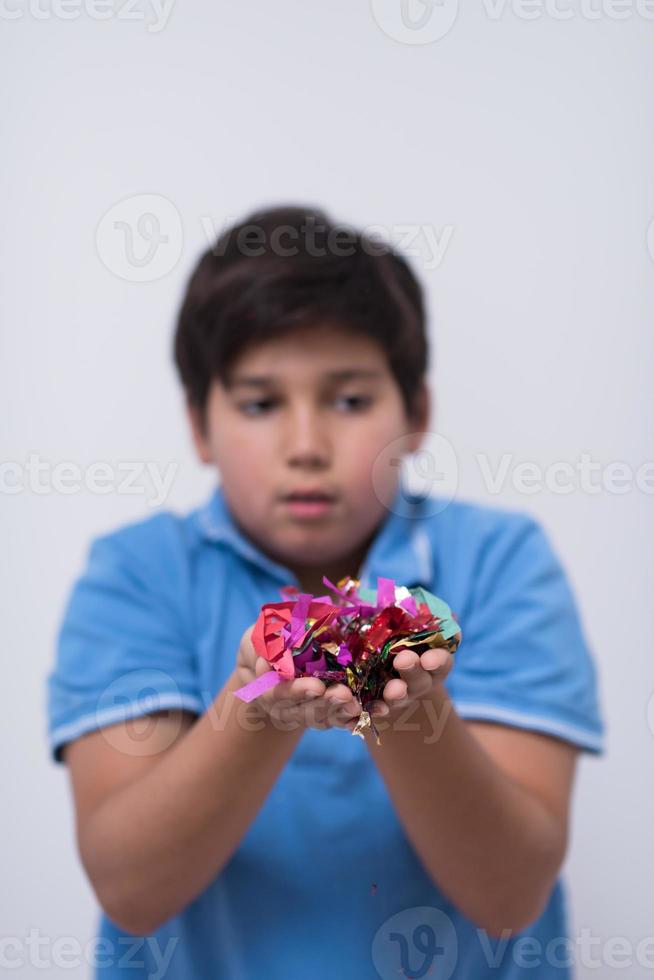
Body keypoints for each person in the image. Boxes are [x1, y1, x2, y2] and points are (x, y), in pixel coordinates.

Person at [46, 205, 606, 979]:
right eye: (259, 403)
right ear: (199, 427)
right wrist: (258, 706)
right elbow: (131, 889)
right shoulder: (137, 573)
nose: (305, 447)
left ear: (416, 413)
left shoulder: (501, 561)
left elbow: (510, 896)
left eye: (348, 400)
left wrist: (406, 704)